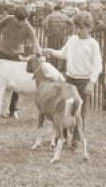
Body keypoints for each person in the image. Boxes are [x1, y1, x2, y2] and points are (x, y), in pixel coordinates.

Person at [43, 11, 102, 147]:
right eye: (76, 27)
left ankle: (76, 139)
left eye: (81, 28)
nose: (78, 30)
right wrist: (51, 51)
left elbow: (97, 65)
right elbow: (64, 54)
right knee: (64, 109)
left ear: (89, 28)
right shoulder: (72, 40)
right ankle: (61, 137)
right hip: (69, 80)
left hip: (83, 82)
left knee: (80, 111)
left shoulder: (93, 44)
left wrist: (91, 83)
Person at [0, 5, 42, 118]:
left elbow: (35, 43)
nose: (20, 23)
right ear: (14, 17)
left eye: (23, 20)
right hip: (1, 53)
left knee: (16, 83)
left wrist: (39, 53)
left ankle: (13, 109)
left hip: (15, 56)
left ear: (26, 18)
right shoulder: (8, 19)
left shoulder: (29, 28)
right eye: (18, 20)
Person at [42, 3, 74, 71]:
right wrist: (68, 32)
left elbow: (44, 23)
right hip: (61, 36)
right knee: (59, 51)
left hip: (52, 35)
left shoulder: (50, 16)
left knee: (51, 50)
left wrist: (47, 32)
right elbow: (71, 23)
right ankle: (58, 67)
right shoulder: (64, 16)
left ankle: (50, 66)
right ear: (60, 10)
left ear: (54, 9)